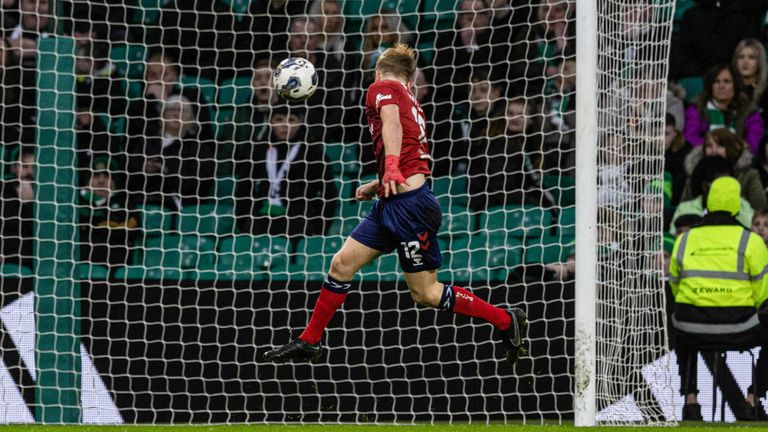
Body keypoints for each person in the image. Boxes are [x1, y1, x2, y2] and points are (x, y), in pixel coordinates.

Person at [261, 44, 527, 366]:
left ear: (378, 72)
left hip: (410, 207)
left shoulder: (382, 87)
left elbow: (391, 126)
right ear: (412, 81)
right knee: (341, 265)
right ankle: (310, 340)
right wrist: (379, 182)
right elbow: (413, 155)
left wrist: (388, 168)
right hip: (393, 201)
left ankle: (505, 319)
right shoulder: (411, 100)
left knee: (425, 294)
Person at [669, 176, 768, 421]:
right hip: (740, 327)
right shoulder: (751, 241)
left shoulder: (684, 240)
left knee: (680, 323)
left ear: (709, 203)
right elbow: (763, 294)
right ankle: (752, 399)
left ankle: (690, 401)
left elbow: (675, 287)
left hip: (691, 328)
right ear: (737, 204)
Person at [233, 105, 337, 237]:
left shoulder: (313, 153)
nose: (285, 125)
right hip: (261, 218)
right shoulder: (258, 150)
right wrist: (243, 222)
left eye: (291, 120)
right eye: (279, 119)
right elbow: (243, 188)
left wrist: (319, 229)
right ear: (270, 122)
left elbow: (329, 193)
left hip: (300, 221)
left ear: (300, 122)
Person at [683, 64, 764, 155]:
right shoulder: (697, 107)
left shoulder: (748, 110)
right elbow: (690, 136)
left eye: (727, 81)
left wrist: (734, 149)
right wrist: (713, 148)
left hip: (739, 158)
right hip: (705, 157)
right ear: (711, 86)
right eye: (716, 82)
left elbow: (754, 141)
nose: (721, 86)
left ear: (735, 86)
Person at [681, 128, 766, 211]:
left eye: (720, 145)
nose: (714, 150)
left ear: (731, 148)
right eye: (709, 146)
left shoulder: (748, 175)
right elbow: (684, 208)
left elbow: (760, 207)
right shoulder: (695, 174)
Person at [670, 155, 754, 233]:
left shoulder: (743, 206)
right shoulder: (685, 209)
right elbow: (675, 237)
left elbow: (752, 233)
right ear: (705, 186)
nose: (725, 189)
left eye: (728, 184)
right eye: (720, 185)